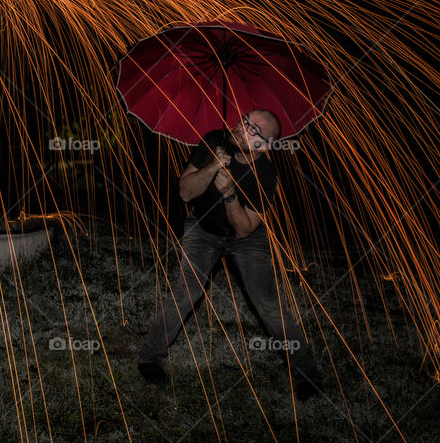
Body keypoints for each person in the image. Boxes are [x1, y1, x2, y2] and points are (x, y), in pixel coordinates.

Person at [137, 108, 324, 400]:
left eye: (252, 130)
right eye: (244, 121)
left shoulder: (266, 174)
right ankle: (149, 357)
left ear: (265, 145)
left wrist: (229, 194)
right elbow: (185, 193)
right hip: (202, 230)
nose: (241, 128)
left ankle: (307, 375)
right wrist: (212, 167)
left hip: (246, 239)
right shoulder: (214, 140)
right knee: (185, 293)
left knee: (268, 304)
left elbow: (245, 229)